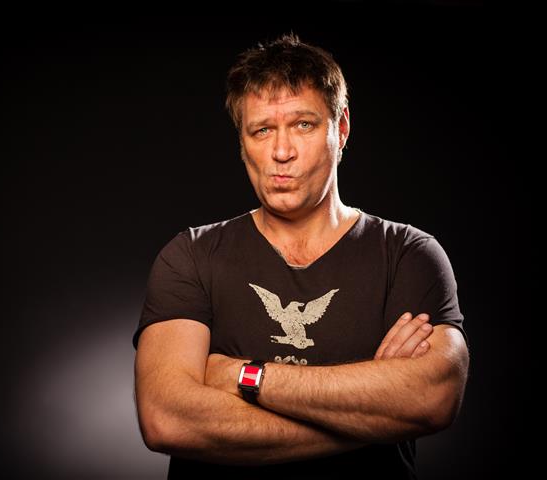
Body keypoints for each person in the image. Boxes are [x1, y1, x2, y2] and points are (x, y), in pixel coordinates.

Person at [132, 33, 469, 480]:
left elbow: (433, 398)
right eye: (262, 130)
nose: (281, 152)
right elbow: (167, 419)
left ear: (340, 129)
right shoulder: (191, 255)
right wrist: (373, 412)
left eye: (303, 125)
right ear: (243, 141)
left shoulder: (408, 254)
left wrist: (244, 376)